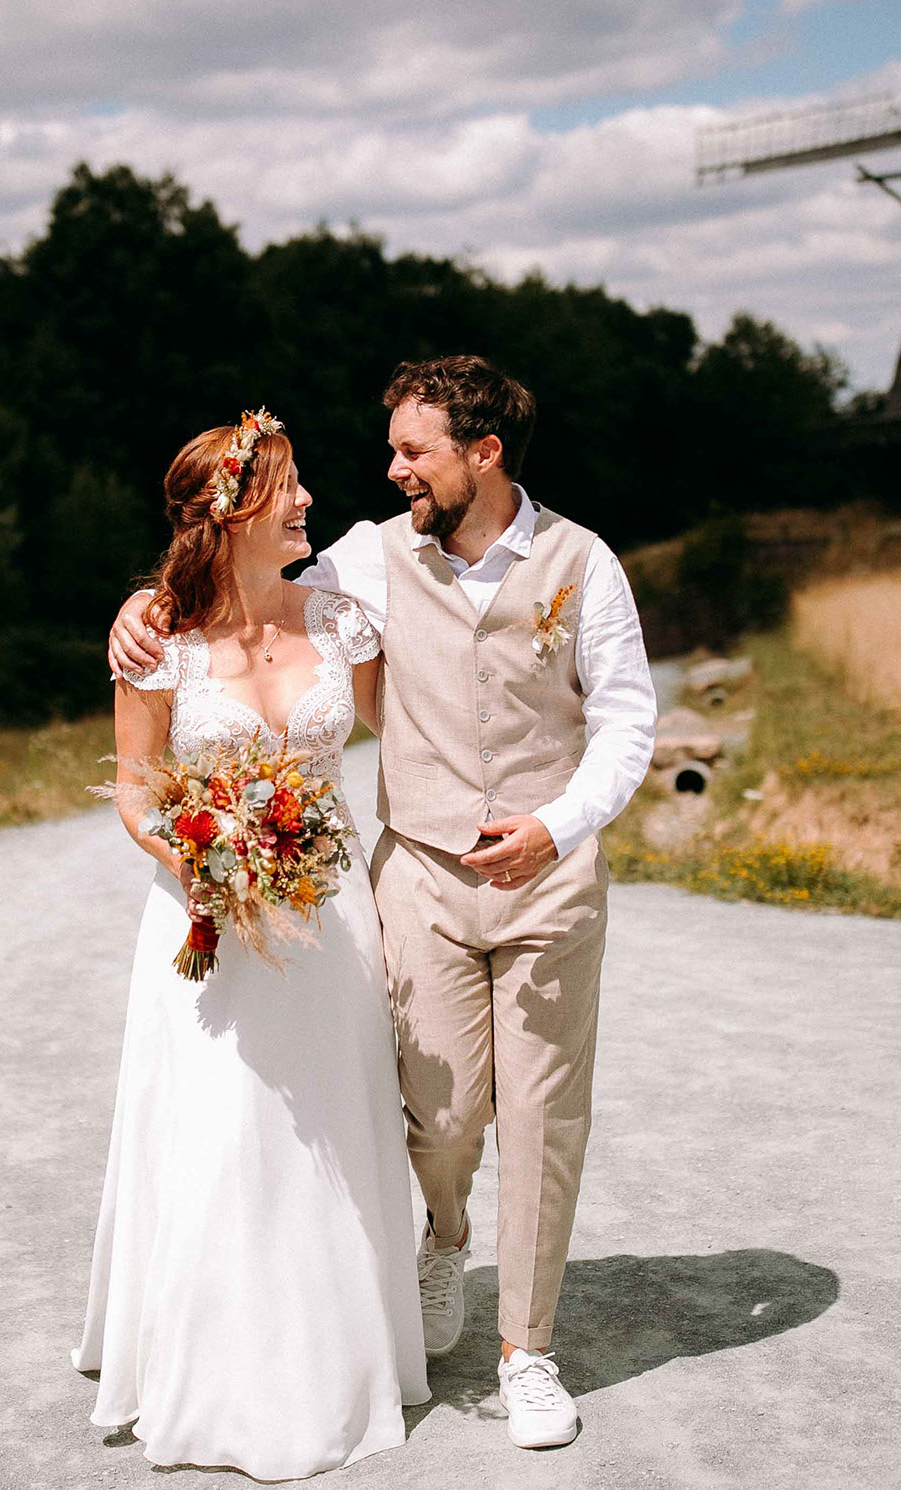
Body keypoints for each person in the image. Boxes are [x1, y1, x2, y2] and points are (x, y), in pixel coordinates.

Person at [111, 356, 657, 1451]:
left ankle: (526, 1353)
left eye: (413, 451)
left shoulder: (583, 562)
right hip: (419, 881)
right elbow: (233, 580)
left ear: (482, 454)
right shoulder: (371, 553)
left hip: (548, 878)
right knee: (439, 1119)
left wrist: (559, 825)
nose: (391, 468)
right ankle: (445, 1234)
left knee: (543, 1114)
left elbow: (628, 719)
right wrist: (140, 605)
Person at [74, 411, 429, 1480]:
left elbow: (417, 729)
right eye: (286, 486)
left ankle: (343, 1346)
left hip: (329, 918)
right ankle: (220, 1365)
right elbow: (136, 790)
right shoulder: (159, 638)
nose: (308, 499)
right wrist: (201, 859)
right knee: (224, 1132)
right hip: (209, 920)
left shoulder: (345, 620)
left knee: (334, 1121)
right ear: (229, 514)